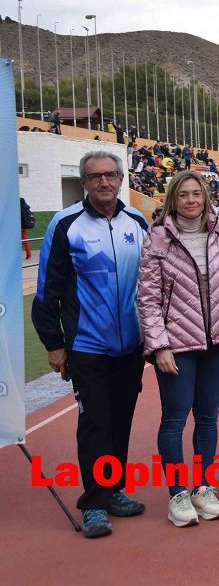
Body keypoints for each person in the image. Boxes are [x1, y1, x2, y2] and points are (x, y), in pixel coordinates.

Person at [31, 150, 150, 538]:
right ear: (83, 183)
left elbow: (152, 284)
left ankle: (114, 490)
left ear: (121, 179)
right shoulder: (67, 225)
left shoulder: (138, 221)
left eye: (112, 175)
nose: (105, 182)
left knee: (120, 421)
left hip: (131, 346)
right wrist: (54, 344)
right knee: (95, 423)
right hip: (87, 346)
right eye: (96, 176)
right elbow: (48, 292)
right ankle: (95, 503)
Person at [137, 171, 219, 527]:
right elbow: (148, 298)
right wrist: (159, 347)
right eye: (184, 195)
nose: (191, 200)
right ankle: (177, 494)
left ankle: (203, 487)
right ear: (173, 199)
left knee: (208, 416)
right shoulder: (158, 240)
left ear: (205, 197)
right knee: (174, 418)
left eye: (196, 194)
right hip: (177, 347)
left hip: (218, 342)